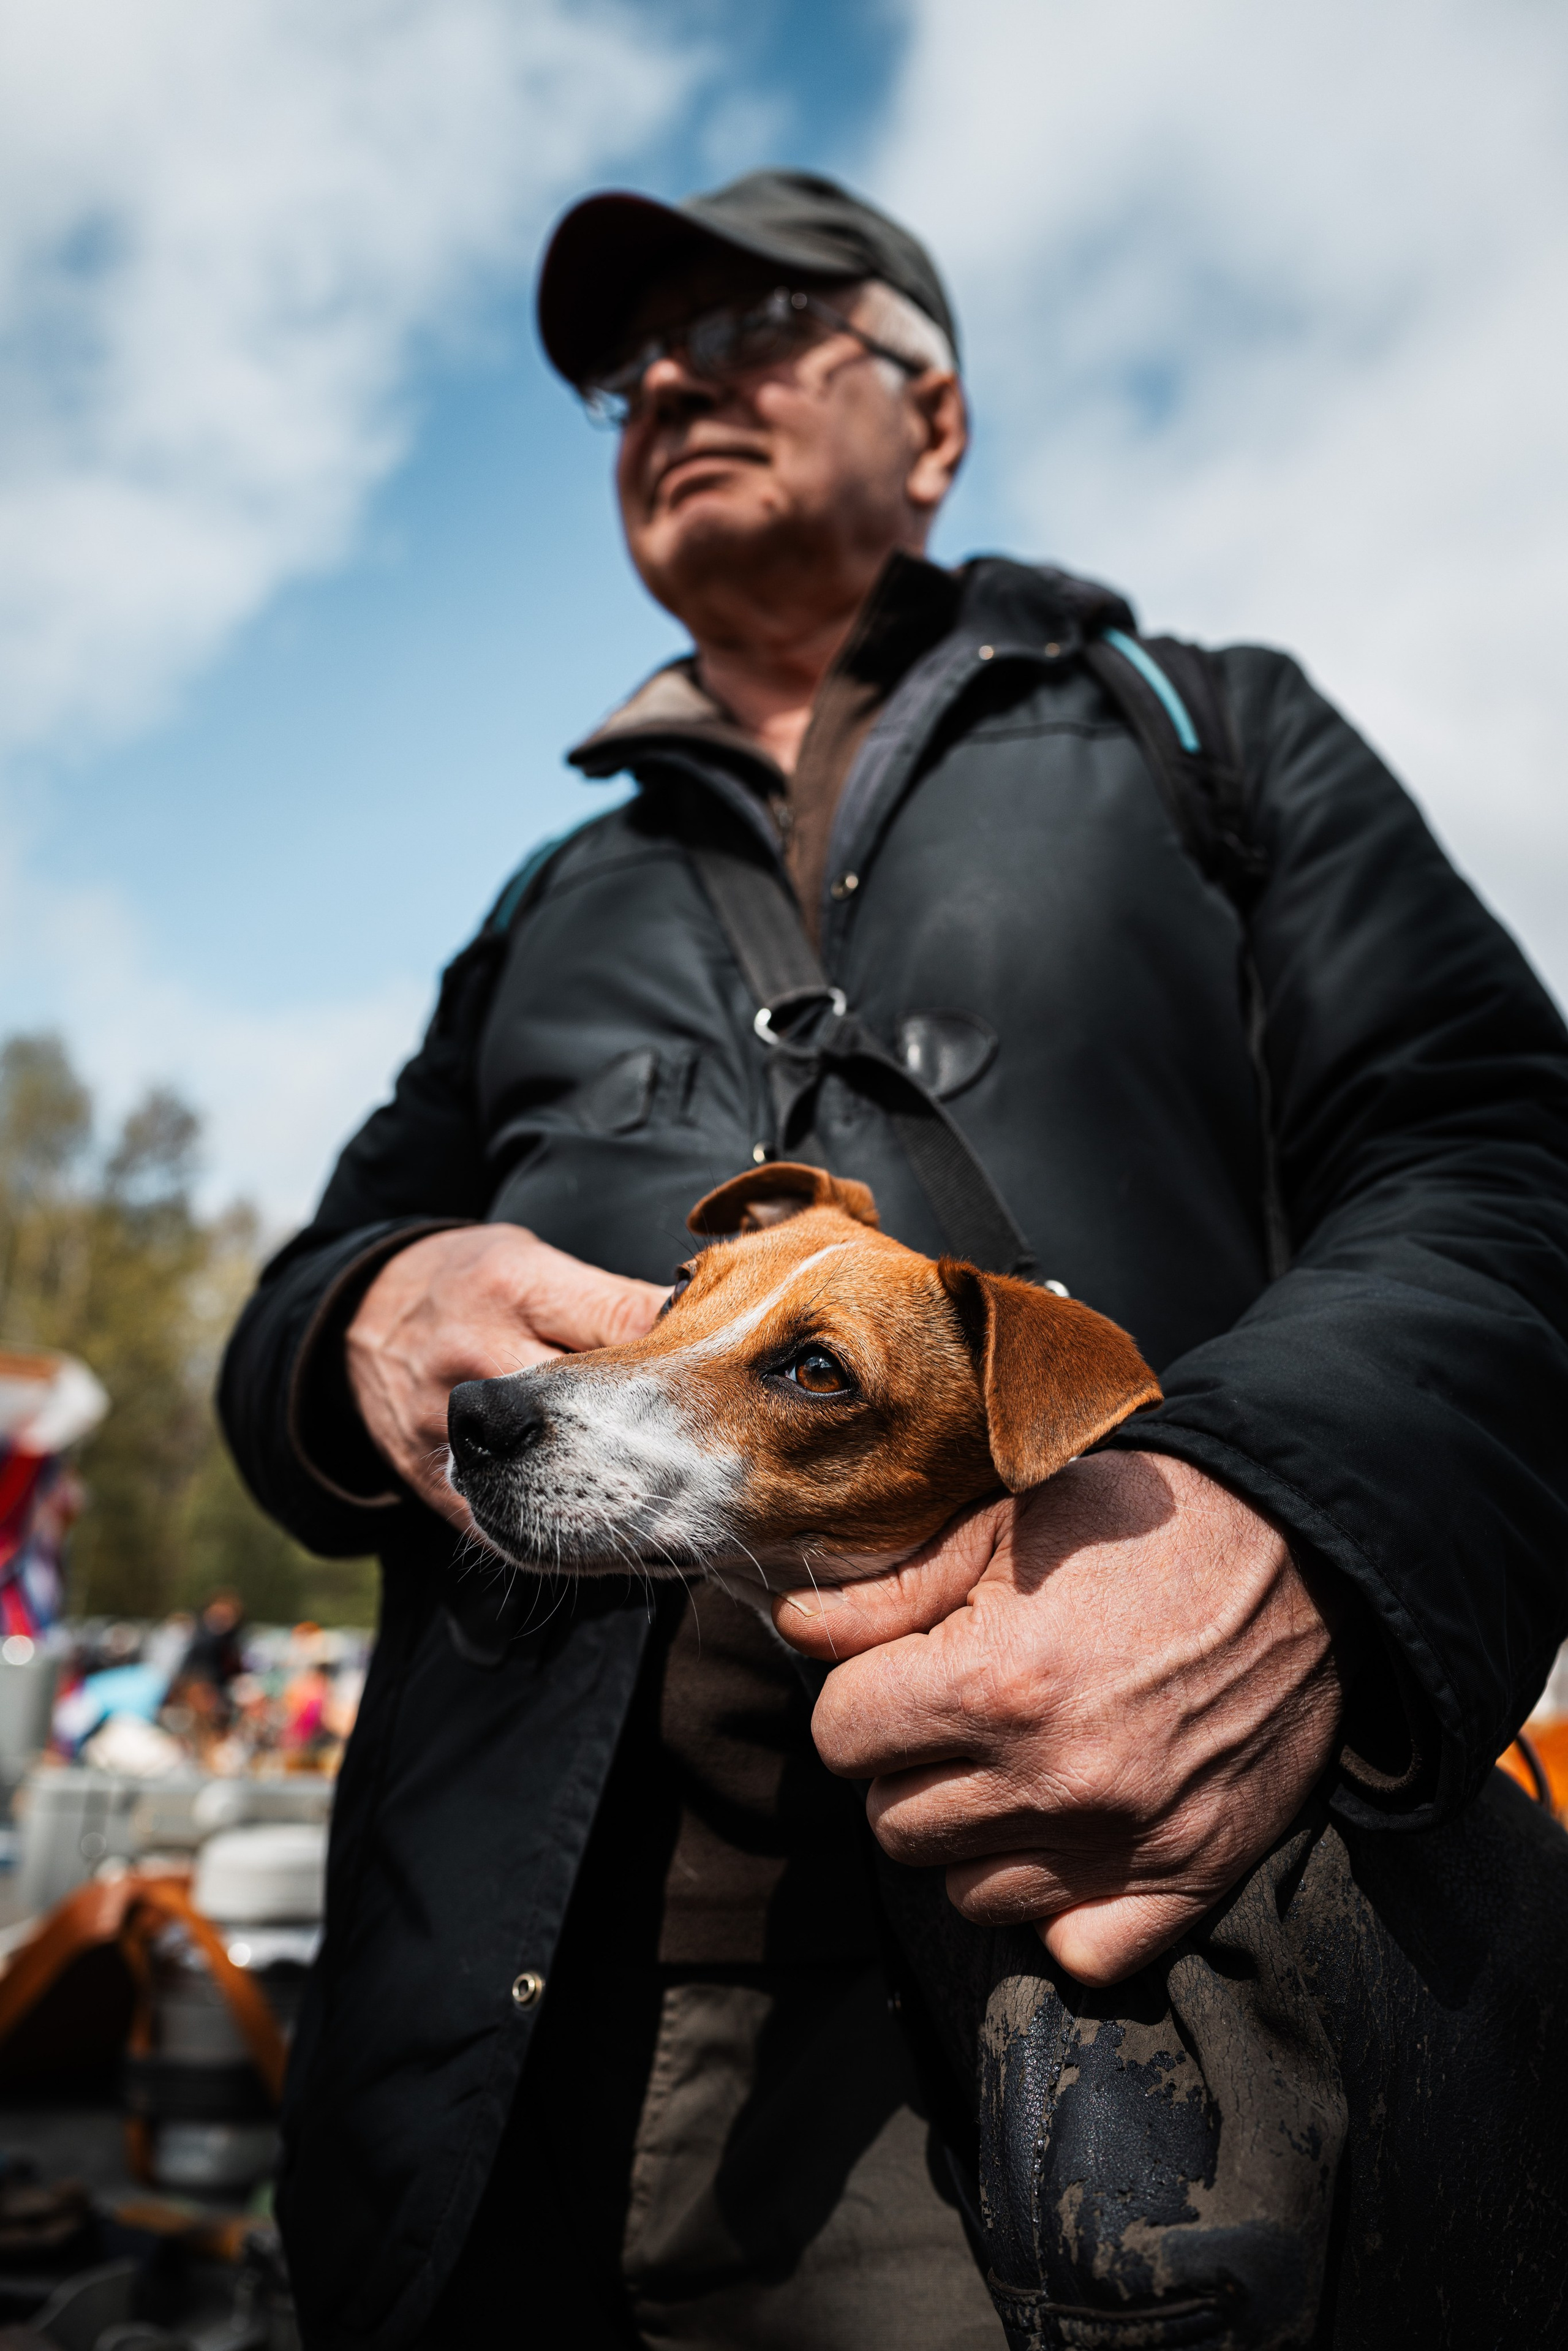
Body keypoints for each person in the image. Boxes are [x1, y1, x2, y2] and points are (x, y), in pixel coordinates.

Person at [220, 170, 1568, 2350]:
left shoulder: (1208, 734)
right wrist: (363, 1316)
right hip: (509, 2030)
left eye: (747, 325)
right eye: (630, 366)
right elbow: (303, 1294)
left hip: (1078, 1979)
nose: (668, 380)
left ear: (930, 418)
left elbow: (1502, 1151)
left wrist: (1294, 1527)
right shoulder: (552, 890)